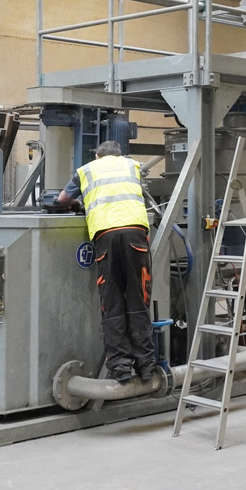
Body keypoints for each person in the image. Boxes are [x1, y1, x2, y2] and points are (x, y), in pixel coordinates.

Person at [56, 141, 156, 384]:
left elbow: (62, 199)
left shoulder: (87, 170)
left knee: (112, 301)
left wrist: (79, 205)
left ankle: (121, 368)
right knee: (138, 299)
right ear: (119, 155)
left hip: (105, 235)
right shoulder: (133, 166)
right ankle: (146, 368)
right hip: (135, 234)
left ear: (98, 155)